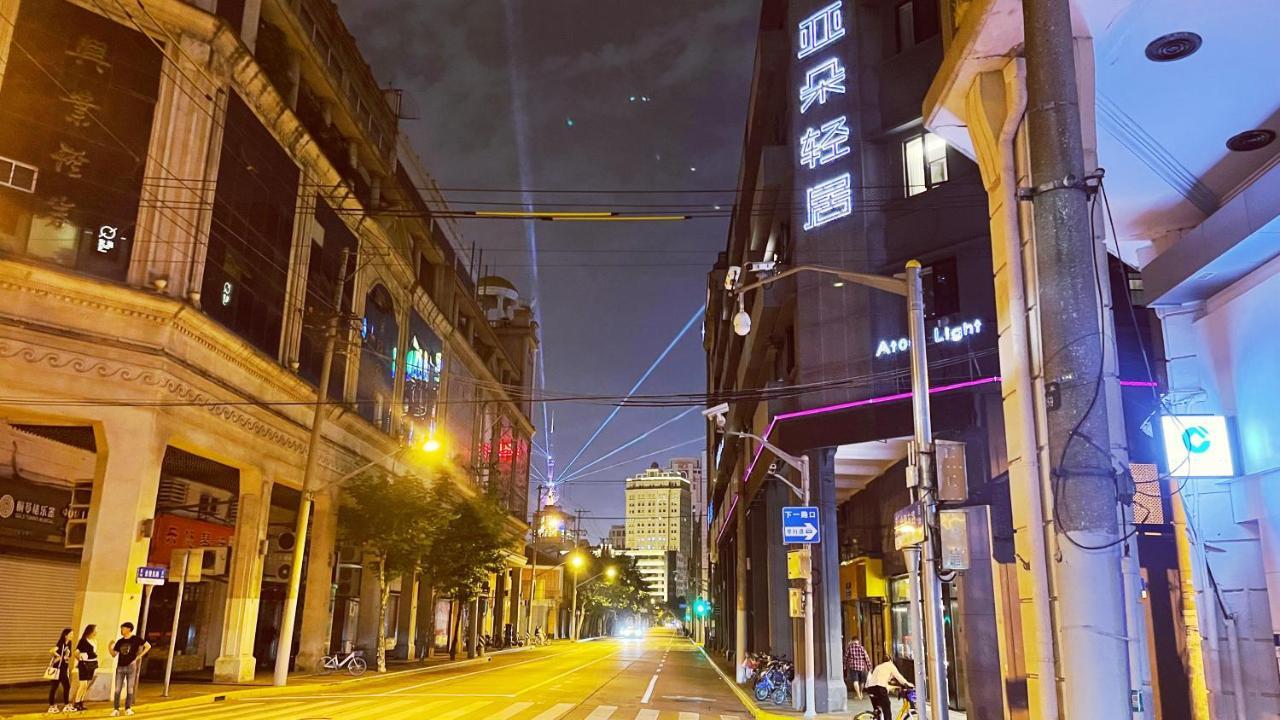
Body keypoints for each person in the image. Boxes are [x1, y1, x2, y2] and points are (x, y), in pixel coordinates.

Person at [107, 622, 149, 717]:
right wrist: (109, 647)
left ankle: (128, 708)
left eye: (123, 628)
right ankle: (116, 709)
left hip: (131, 666)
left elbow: (148, 646)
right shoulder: (120, 641)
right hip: (120, 667)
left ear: (129, 629)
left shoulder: (136, 639)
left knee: (130, 688)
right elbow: (114, 654)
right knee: (117, 689)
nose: (121, 630)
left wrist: (139, 657)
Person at [866, 655, 912, 720]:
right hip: (880, 689)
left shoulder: (878, 667)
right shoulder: (890, 665)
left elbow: (880, 683)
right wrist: (908, 684)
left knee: (878, 711)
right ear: (891, 660)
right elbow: (899, 677)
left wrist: (894, 687)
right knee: (886, 707)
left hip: (870, 689)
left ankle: (876, 715)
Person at [69, 625, 98, 713]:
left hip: (92, 664)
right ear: (90, 631)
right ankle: (77, 702)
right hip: (84, 664)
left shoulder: (95, 641)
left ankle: (81, 701)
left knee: (86, 685)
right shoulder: (83, 641)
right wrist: (81, 660)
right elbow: (76, 652)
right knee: (83, 684)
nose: (96, 632)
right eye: (95, 630)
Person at [47, 627, 73, 713]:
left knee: (56, 687)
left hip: (63, 668)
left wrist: (66, 658)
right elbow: (52, 651)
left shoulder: (69, 644)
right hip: (58, 668)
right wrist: (59, 656)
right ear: (65, 635)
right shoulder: (61, 644)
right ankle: (57, 706)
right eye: (71, 634)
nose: (72, 636)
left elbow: (68, 656)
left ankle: (56, 705)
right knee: (63, 686)